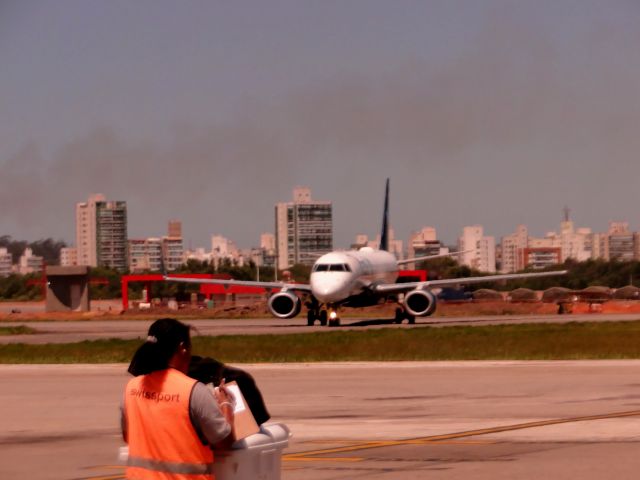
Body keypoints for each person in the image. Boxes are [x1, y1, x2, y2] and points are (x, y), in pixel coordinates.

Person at [121, 318, 234, 479]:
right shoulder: (193, 391)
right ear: (182, 348)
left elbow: (129, 436)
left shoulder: (132, 387)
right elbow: (224, 442)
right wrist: (226, 403)